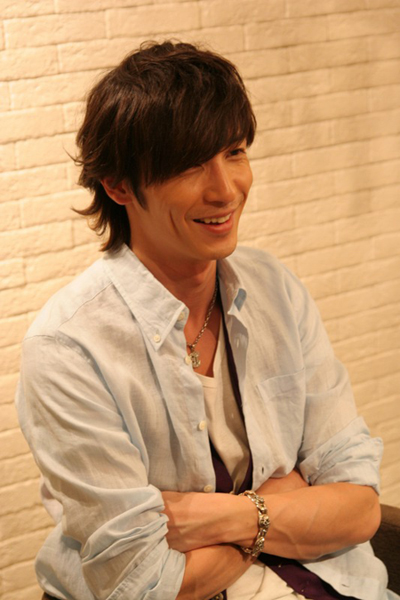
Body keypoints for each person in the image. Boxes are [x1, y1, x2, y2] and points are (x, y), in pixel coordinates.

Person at [16, 41, 397, 600]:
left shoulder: (274, 290)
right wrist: (287, 502)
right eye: (190, 164)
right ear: (118, 185)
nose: (224, 190)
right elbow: (148, 583)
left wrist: (223, 517)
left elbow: (359, 507)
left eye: (234, 152)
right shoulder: (69, 347)